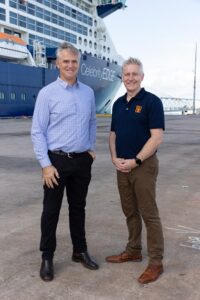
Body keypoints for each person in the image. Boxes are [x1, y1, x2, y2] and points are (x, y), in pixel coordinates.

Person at [31, 42, 99, 282]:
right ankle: (47, 256)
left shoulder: (88, 92)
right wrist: (45, 164)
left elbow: (92, 122)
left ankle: (79, 251)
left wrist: (90, 148)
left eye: (74, 61)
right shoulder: (47, 93)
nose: (70, 65)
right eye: (66, 61)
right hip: (56, 162)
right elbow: (38, 131)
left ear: (78, 64)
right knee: (51, 211)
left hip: (82, 162)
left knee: (78, 208)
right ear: (57, 64)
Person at [106, 57, 164, 284]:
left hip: (143, 166)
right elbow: (113, 135)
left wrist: (136, 161)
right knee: (130, 211)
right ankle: (133, 250)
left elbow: (157, 137)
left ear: (142, 77)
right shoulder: (118, 104)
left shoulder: (152, 102)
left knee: (149, 214)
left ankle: (156, 262)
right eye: (126, 74)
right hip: (121, 166)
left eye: (134, 74)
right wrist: (114, 157)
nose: (130, 78)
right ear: (122, 76)